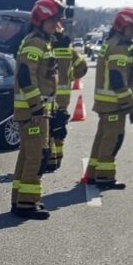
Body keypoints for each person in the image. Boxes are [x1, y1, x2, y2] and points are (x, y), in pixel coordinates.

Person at [11, 0, 62, 218]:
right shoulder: (36, 43)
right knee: (36, 157)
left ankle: (21, 201)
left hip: (37, 111)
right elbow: (25, 75)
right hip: (34, 114)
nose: (56, 24)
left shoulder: (42, 41)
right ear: (40, 19)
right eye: (52, 20)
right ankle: (26, 205)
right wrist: (37, 108)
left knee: (27, 156)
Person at [87, 8, 133, 189]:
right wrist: (130, 107)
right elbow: (118, 79)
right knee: (112, 139)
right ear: (122, 26)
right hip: (114, 104)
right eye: (132, 28)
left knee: (102, 138)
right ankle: (105, 177)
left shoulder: (111, 42)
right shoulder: (119, 47)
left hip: (106, 103)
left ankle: (93, 174)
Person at [45, 26, 88, 172]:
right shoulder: (71, 53)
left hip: (48, 95)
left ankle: (49, 161)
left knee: (48, 129)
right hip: (63, 98)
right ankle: (58, 159)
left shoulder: (47, 50)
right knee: (59, 127)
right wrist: (71, 78)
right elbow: (83, 67)